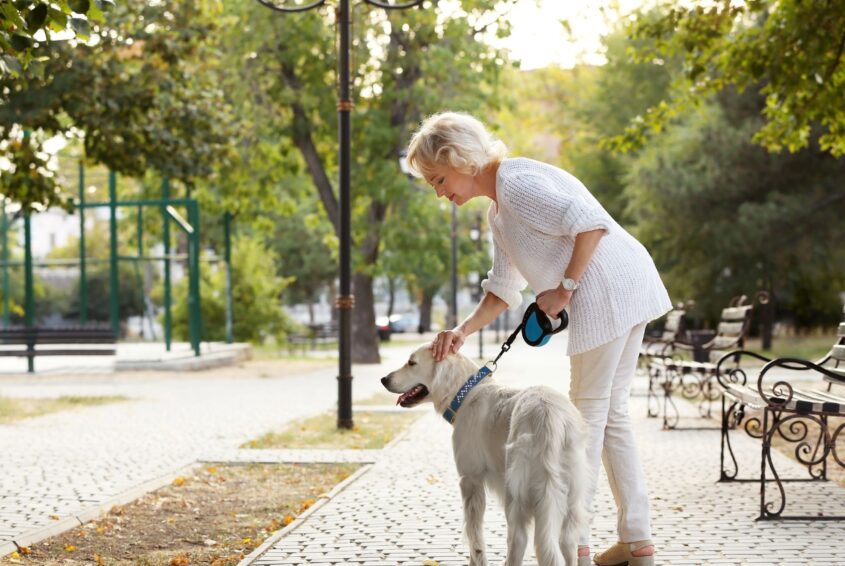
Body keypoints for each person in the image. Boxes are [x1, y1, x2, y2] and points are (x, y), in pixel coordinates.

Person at [405, 111, 671, 566]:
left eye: (438, 177)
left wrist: (565, 287)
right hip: (627, 285)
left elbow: (590, 223)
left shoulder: (516, 184)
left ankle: (576, 546)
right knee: (611, 415)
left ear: (460, 159)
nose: (439, 191)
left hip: (607, 293)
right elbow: (503, 290)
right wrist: (462, 332)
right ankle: (637, 541)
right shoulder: (499, 210)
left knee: (581, 419)